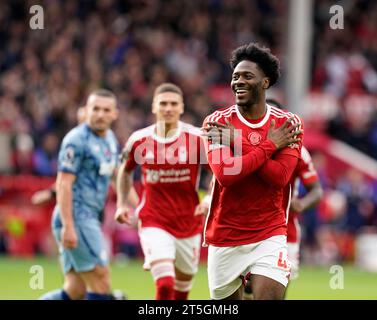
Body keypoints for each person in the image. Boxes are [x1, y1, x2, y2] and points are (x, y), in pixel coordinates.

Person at [201, 43, 303, 300]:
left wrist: (237, 141)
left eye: (247, 76)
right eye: (235, 76)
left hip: (269, 232)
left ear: (265, 82)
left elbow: (280, 177)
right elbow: (227, 175)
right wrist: (270, 145)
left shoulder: (287, 124)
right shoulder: (217, 122)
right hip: (225, 234)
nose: (239, 81)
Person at [115, 83, 208, 300]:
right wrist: (121, 203)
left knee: (181, 293)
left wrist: (210, 198)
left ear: (182, 107)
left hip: (189, 222)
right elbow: (125, 172)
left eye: (173, 104)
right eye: (163, 104)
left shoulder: (197, 138)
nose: (168, 108)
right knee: (165, 285)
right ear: (154, 107)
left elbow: (218, 174)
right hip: (154, 220)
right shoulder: (139, 140)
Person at [40, 89, 121, 300]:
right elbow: (64, 183)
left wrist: (136, 206)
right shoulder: (76, 140)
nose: (100, 114)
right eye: (96, 109)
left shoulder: (110, 139)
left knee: (75, 290)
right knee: (101, 280)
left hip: (89, 216)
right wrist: (68, 225)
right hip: (77, 216)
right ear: (87, 111)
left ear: (115, 114)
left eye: (106, 110)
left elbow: (117, 176)